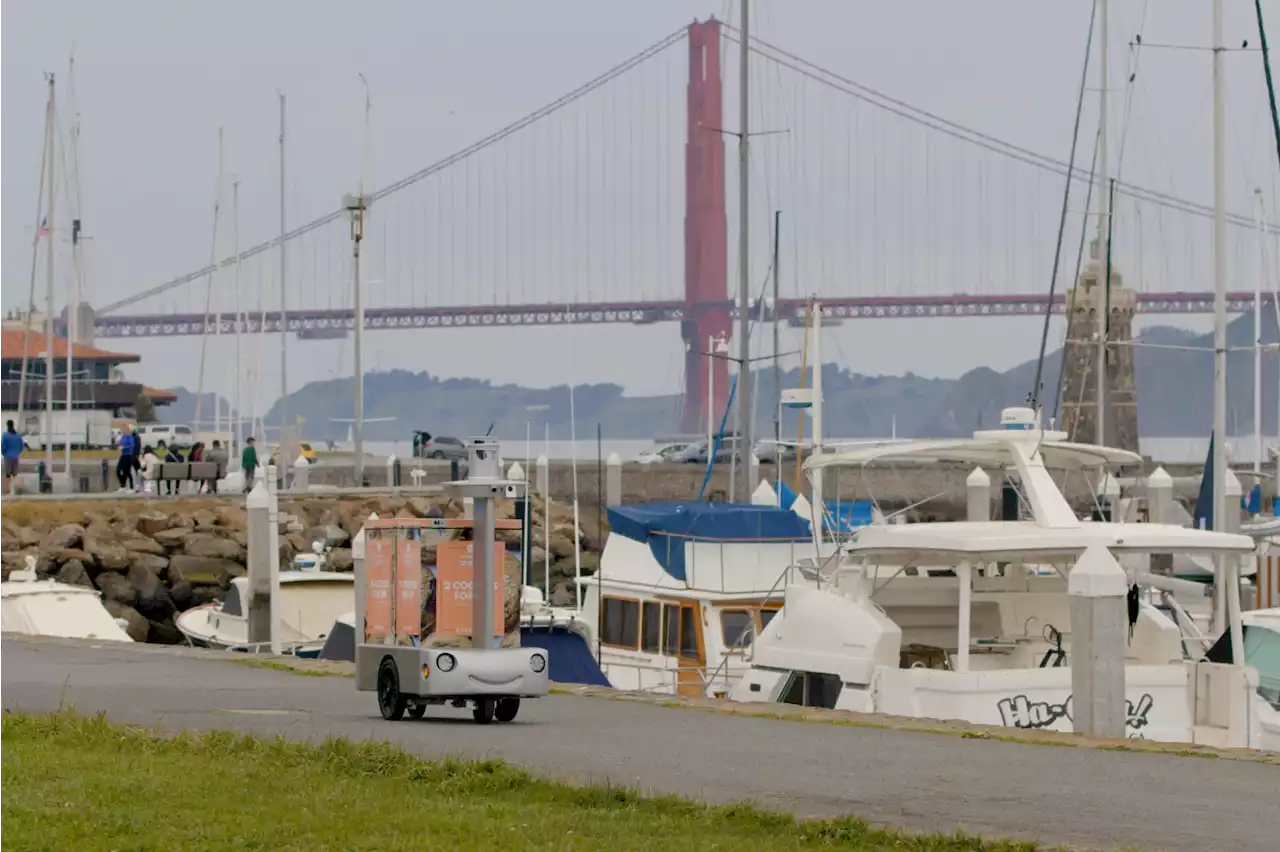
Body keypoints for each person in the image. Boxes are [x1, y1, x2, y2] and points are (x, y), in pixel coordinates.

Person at [1, 420, 23, 495]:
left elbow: (3, 446)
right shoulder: (17, 435)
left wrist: (3, 453)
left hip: (8, 456)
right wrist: (16, 452)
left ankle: (7, 489)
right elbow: (21, 446)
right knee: (15, 473)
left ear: (7, 425)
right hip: (15, 456)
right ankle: (18, 488)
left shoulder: (5, 435)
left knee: (7, 474)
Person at [116, 424, 136, 491]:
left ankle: (131, 487)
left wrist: (124, 447)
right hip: (123, 455)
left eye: (125, 429)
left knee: (127, 472)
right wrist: (118, 444)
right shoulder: (123, 436)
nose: (124, 430)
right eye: (123, 429)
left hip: (128, 455)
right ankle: (122, 485)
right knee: (118, 470)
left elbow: (132, 446)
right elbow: (120, 443)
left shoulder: (130, 437)